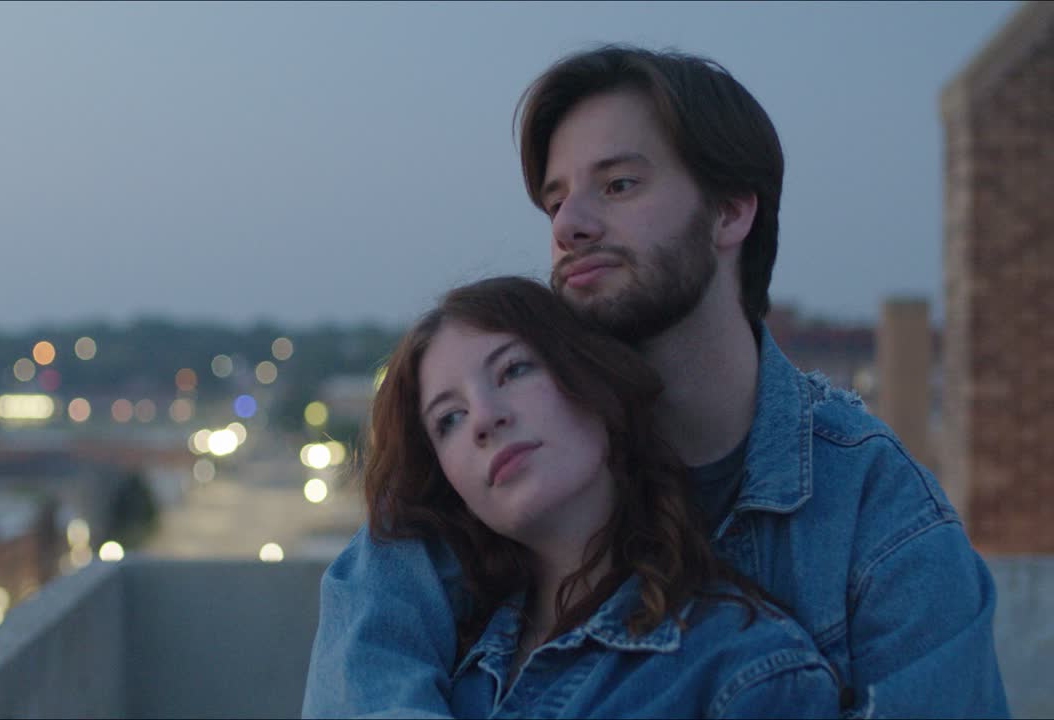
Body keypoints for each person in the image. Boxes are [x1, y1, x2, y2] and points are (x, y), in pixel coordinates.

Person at [303, 45, 1008, 719]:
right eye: (555, 203)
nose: (569, 226)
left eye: (618, 185)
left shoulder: (878, 513)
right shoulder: (501, 472)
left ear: (730, 209)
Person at [350, 275, 840, 717]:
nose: (483, 419)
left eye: (514, 371)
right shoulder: (448, 670)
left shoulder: (748, 673)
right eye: (448, 420)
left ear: (593, 378)